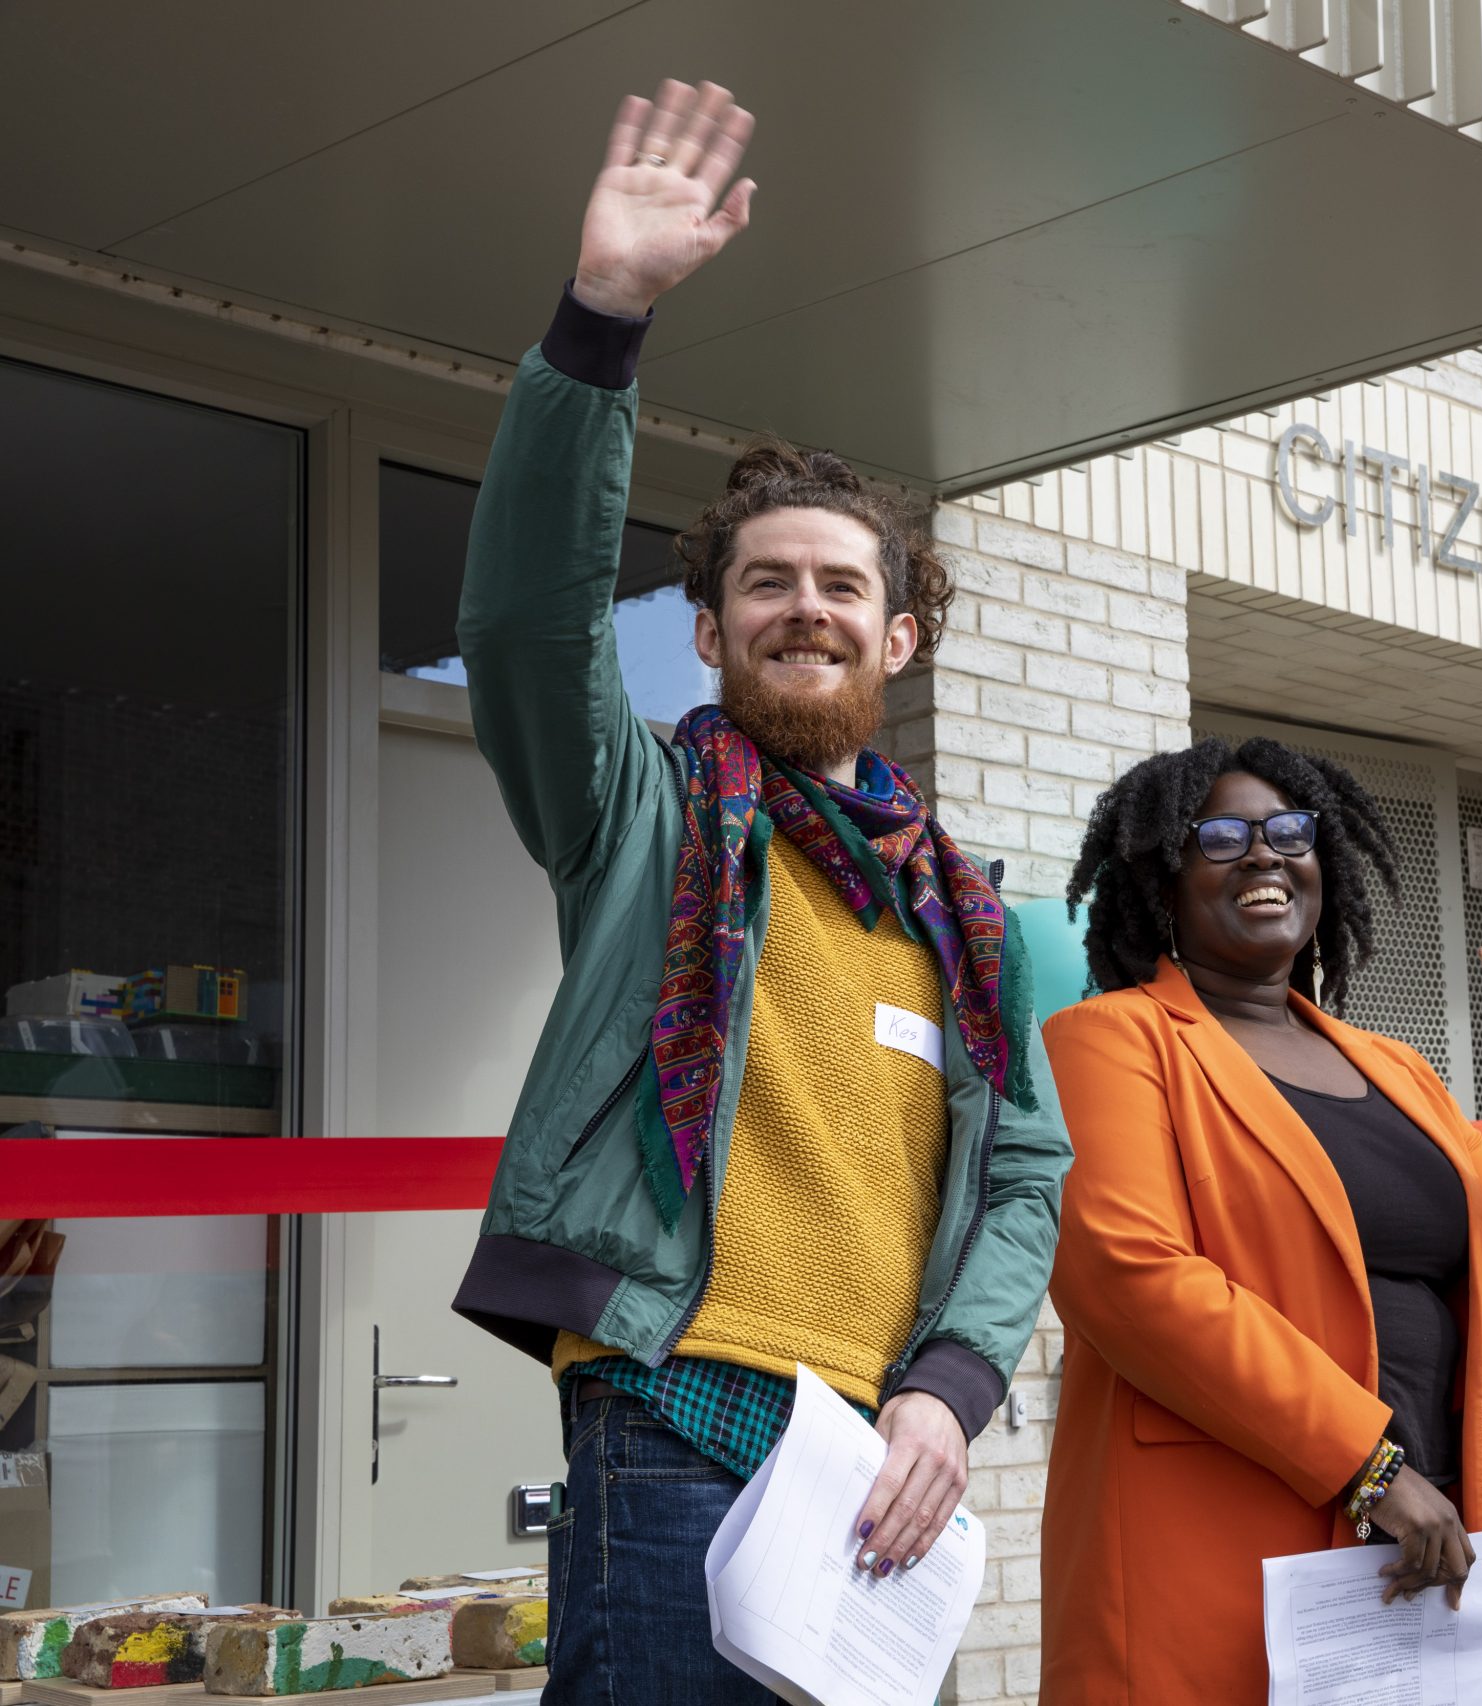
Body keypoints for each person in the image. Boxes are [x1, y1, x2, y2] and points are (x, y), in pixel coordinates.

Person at [444, 81, 1070, 1704]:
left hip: (876, 1465)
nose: (808, 608)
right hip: (671, 1420)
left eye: (842, 586)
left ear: (900, 637)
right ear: (709, 632)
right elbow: (525, 627)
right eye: (767, 583)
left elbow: (1024, 1179)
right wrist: (602, 323)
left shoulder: (974, 916)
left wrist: (950, 1388)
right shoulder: (639, 814)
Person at [1036, 736, 1482, 1699]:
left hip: (1433, 1532)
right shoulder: (1111, 1040)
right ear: (1164, 877)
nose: (1264, 853)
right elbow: (1133, 1279)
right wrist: (1368, 1465)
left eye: (1288, 831)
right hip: (1230, 1536)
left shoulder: (1397, 1070)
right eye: (1221, 835)